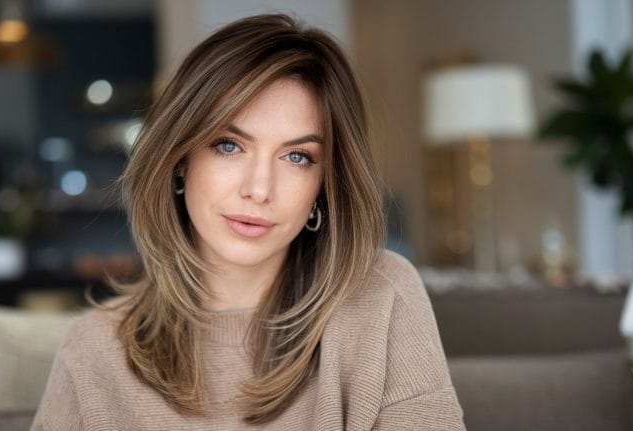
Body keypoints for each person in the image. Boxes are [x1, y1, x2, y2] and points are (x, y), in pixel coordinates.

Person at [32, 14, 465, 430]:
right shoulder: (94, 352)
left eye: (297, 157)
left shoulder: (381, 298)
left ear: (323, 184)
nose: (259, 189)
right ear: (180, 159)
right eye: (229, 145)